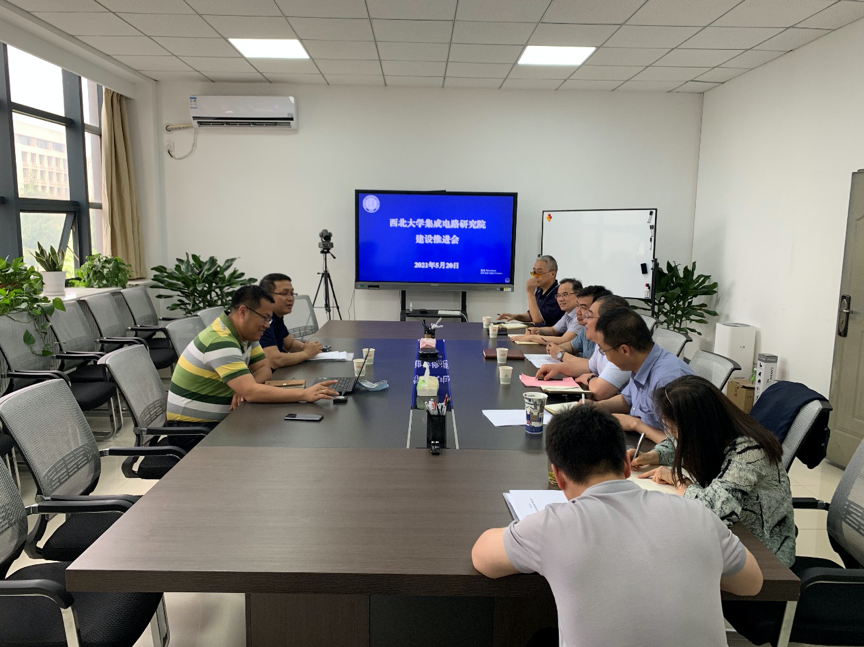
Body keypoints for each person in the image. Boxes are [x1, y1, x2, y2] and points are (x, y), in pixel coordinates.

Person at [471, 406, 763, 647]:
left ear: (558, 476)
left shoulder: (551, 527)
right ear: (626, 464)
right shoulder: (698, 515)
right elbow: (751, 583)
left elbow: (482, 557)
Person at [631, 375, 796, 566]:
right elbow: (674, 444)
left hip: (762, 553)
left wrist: (681, 483)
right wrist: (652, 456)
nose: (672, 436)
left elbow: (714, 512)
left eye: (673, 430)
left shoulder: (750, 452)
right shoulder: (716, 434)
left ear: (697, 430)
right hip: (729, 538)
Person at [167, 285, 338, 437]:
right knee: (273, 438)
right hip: (192, 430)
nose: (267, 325)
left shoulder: (245, 334)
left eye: (269, 319)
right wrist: (304, 394)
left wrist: (245, 388)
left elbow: (264, 369)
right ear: (243, 312)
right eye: (264, 318)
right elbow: (253, 392)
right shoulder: (220, 340)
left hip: (219, 422)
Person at [576, 306, 693, 443]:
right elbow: (628, 399)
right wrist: (596, 406)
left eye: (604, 351)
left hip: (662, 450)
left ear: (624, 350)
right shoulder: (640, 362)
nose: (606, 357)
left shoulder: (667, 379)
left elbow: (684, 444)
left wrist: (636, 425)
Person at [541, 294, 633, 401]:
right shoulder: (602, 343)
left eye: (589, 316)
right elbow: (588, 366)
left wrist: (590, 377)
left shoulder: (622, 349)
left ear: (607, 321)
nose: (585, 321)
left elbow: (599, 392)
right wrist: (557, 368)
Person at [258, 273, 322, 369]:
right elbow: (274, 360)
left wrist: (306, 347)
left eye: (292, 294)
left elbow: (290, 344)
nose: (291, 298)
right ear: (267, 296)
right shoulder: (263, 320)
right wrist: (306, 353)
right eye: (284, 294)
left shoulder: (277, 317)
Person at [510, 278, 582, 345]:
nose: (560, 299)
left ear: (578, 295)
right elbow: (553, 330)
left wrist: (531, 338)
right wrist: (537, 330)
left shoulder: (580, 315)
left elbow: (564, 340)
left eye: (565, 295)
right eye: (558, 295)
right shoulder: (568, 313)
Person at [498, 255, 564, 327]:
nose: (535, 276)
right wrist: (516, 316)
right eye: (534, 272)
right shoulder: (539, 290)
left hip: (550, 333)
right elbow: (532, 315)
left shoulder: (559, 294)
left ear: (552, 274)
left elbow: (538, 320)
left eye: (539, 272)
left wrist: (530, 293)